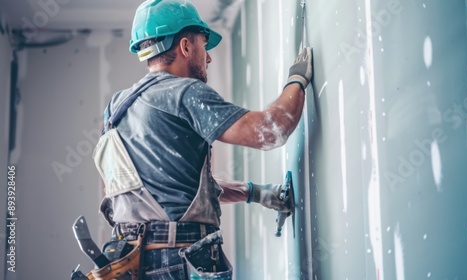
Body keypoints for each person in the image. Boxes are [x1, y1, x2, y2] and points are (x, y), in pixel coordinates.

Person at [92, 0, 313, 279]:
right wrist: (297, 80)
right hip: (178, 257)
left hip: (128, 262)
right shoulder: (183, 92)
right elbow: (270, 132)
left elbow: (172, 192)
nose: (208, 57)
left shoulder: (115, 108)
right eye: (203, 45)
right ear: (186, 47)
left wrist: (255, 193)